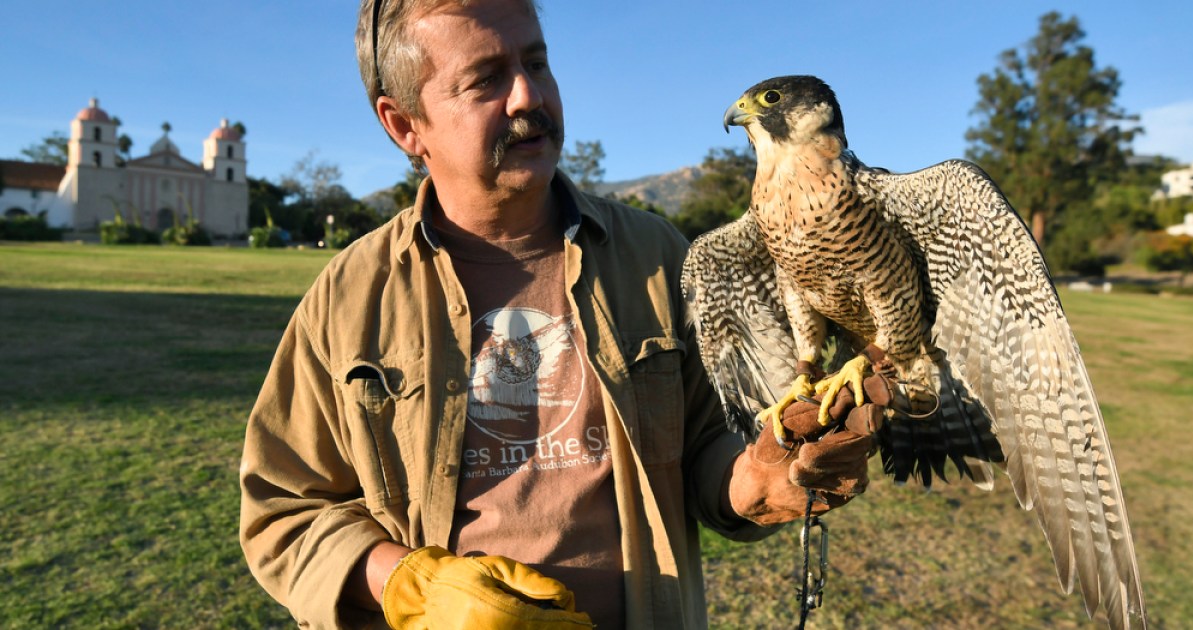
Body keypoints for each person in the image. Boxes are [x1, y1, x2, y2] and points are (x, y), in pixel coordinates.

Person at [238, 1, 880, 628]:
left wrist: (757, 479)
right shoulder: (349, 295)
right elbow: (282, 511)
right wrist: (410, 585)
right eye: (485, 79)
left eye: (537, 63)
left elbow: (714, 445)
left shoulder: (657, 257)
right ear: (406, 125)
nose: (527, 96)